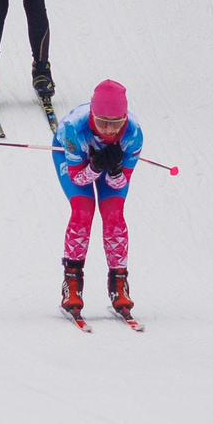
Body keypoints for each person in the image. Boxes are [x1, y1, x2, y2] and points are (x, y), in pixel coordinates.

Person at [54, 78, 144, 324]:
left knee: (114, 213)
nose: (109, 130)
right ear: (93, 115)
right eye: (103, 122)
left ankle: (119, 282)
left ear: (125, 118)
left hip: (96, 161)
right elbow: (79, 179)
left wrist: (115, 171)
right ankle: (72, 282)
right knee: (83, 210)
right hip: (73, 156)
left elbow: (120, 184)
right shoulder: (74, 130)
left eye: (116, 123)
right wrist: (95, 166)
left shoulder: (133, 135)